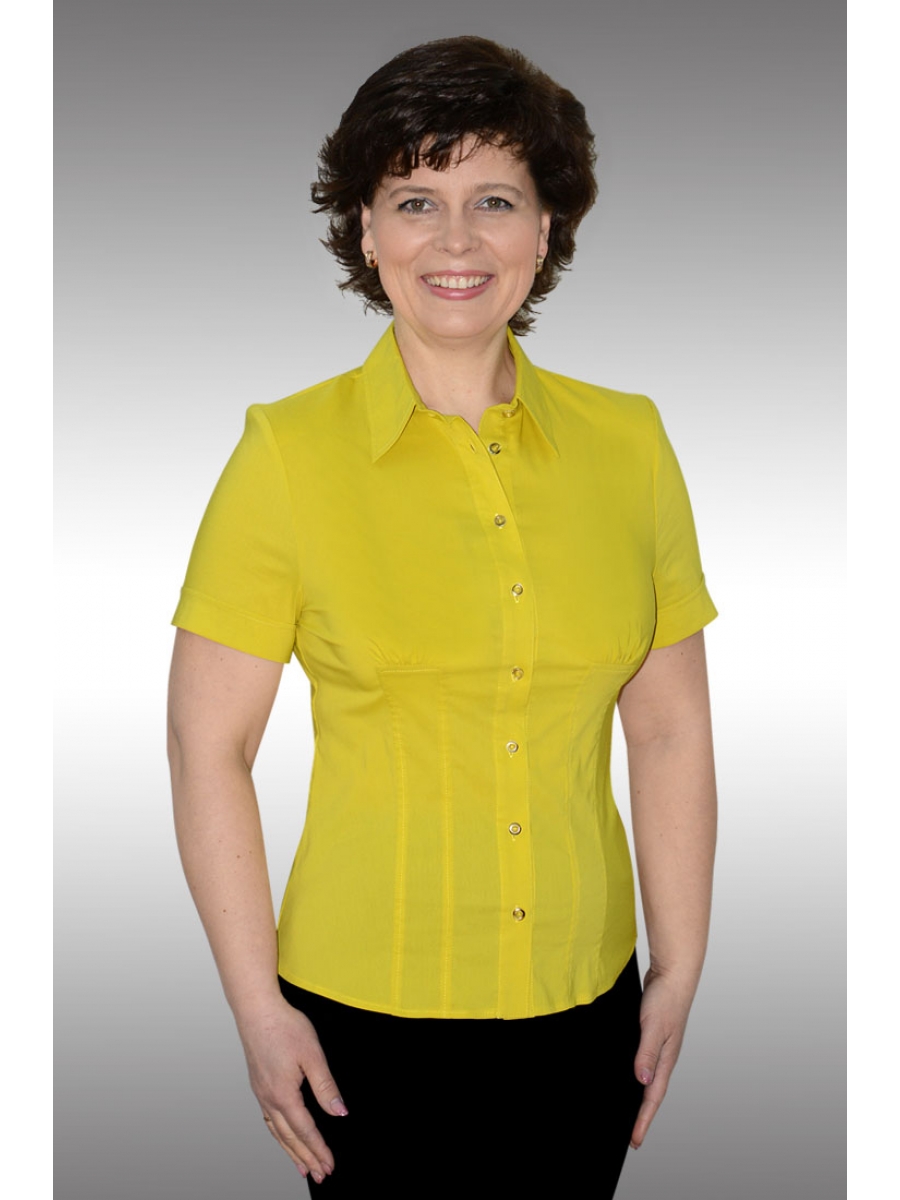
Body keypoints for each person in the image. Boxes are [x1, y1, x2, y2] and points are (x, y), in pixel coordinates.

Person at [167, 35, 717, 1197]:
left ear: (545, 230)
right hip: (360, 1030)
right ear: (367, 232)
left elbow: (669, 729)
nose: (456, 240)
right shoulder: (286, 455)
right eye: (416, 200)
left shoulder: (631, 444)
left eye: (494, 201)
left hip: (587, 1011)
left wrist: (680, 965)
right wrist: (257, 1008)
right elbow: (207, 746)